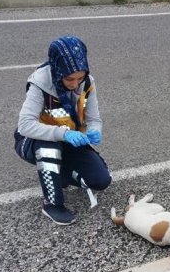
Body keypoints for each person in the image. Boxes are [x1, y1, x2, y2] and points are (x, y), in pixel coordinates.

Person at [14, 36, 111, 226]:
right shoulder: (40, 83)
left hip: (69, 140)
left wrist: (95, 130)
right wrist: (63, 134)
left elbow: (93, 119)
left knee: (101, 180)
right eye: (69, 79)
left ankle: (59, 172)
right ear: (58, 70)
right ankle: (52, 204)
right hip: (34, 141)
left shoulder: (88, 83)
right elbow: (25, 125)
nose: (75, 84)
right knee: (49, 150)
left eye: (80, 78)